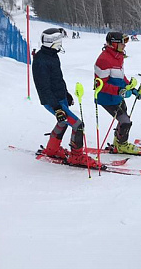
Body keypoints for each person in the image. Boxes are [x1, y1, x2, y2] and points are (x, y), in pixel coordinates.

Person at [32, 27, 95, 168]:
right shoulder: (41, 61)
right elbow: (43, 87)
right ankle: (76, 157)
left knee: (63, 122)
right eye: (59, 41)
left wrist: (66, 94)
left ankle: (52, 149)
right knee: (77, 125)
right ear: (51, 42)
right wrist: (56, 107)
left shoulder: (52, 55)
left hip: (59, 97)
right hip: (52, 101)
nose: (61, 44)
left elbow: (57, 79)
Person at [94, 31, 141, 155]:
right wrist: (119, 91)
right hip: (107, 98)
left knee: (124, 120)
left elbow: (120, 77)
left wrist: (131, 88)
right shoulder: (104, 60)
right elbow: (100, 85)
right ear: (114, 44)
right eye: (122, 43)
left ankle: (118, 143)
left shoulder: (118, 56)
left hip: (117, 97)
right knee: (125, 121)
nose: (124, 46)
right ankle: (122, 145)